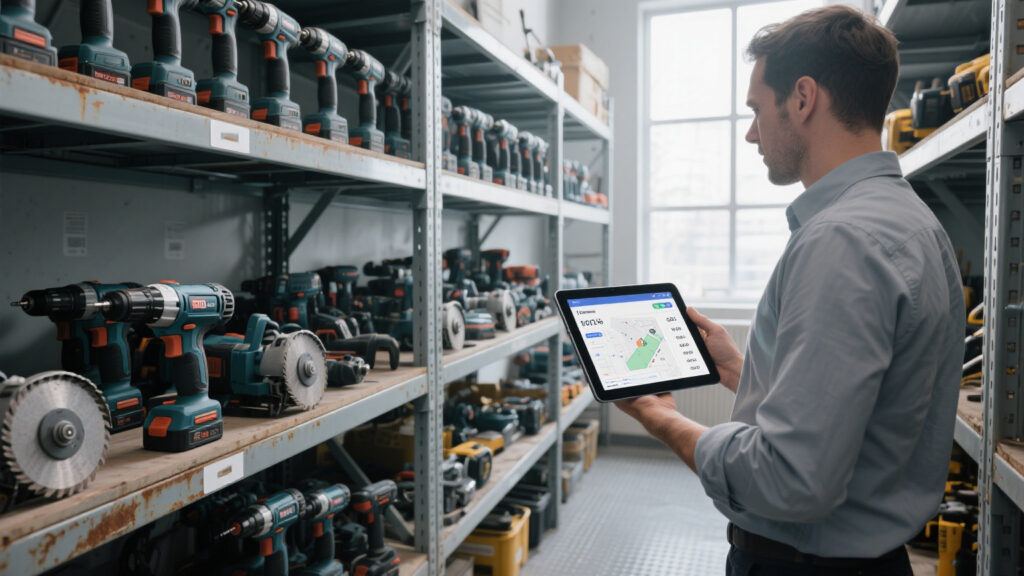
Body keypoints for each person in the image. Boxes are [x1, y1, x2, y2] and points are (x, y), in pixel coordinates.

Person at [617, 5, 965, 575]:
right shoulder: (910, 220)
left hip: (803, 564)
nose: (752, 132)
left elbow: (791, 479)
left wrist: (663, 420)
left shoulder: (841, 242)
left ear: (803, 99)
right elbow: (859, 410)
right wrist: (739, 368)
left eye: (756, 109)